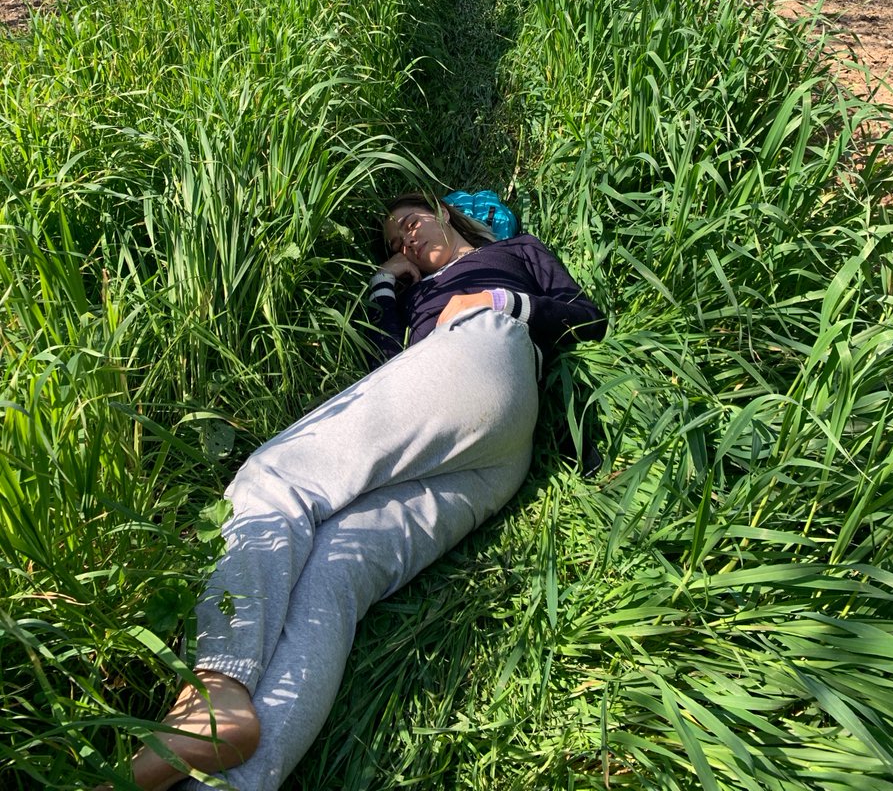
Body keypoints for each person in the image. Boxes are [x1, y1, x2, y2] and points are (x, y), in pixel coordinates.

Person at [121, 192, 605, 791]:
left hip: (490, 355)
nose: (403, 240)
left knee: (276, 477)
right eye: (393, 243)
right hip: (493, 462)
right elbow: (385, 366)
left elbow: (586, 314)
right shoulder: (417, 295)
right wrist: (385, 283)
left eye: (408, 224)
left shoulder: (512, 252)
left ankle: (218, 685)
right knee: (333, 574)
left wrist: (497, 299)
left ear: (444, 214)